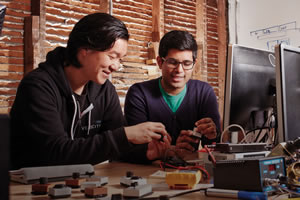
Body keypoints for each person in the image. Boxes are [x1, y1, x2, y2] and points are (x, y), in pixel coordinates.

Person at [10, 13, 171, 169]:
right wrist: (125, 135)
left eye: (120, 59)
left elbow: (115, 147)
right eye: (112, 56)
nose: (116, 66)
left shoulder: (105, 90)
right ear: (85, 49)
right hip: (27, 188)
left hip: (76, 185)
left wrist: (146, 152)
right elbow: (55, 153)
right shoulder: (38, 86)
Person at [124, 30, 221, 159]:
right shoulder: (139, 94)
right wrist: (173, 150)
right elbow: (135, 149)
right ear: (160, 62)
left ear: (194, 64)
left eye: (186, 63)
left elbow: (212, 147)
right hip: (148, 174)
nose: (179, 70)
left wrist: (213, 135)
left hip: (189, 172)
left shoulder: (204, 92)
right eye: (172, 62)